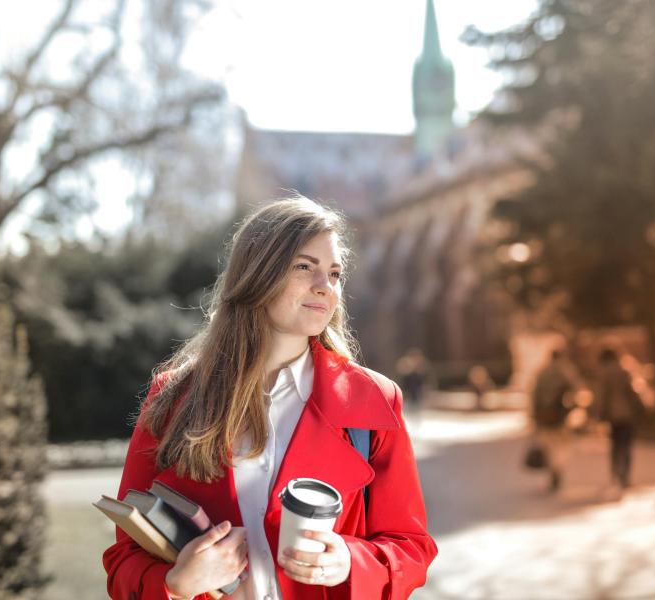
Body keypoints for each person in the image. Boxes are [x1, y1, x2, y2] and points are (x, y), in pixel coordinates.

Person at [102, 198, 437, 600]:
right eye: (304, 266)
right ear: (257, 274)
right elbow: (124, 557)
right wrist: (176, 585)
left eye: (334, 273)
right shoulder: (173, 399)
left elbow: (411, 547)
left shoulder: (374, 401)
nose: (325, 286)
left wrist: (349, 561)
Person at [591, 348, 646, 490]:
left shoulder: (603, 374)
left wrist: (598, 415)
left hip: (613, 416)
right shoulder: (624, 371)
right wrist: (640, 408)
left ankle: (616, 471)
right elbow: (633, 392)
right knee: (627, 445)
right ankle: (625, 475)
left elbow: (601, 396)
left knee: (615, 445)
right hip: (627, 414)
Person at [530, 350, 574, 492]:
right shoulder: (564, 372)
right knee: (559, 445)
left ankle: (553, 471)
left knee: (548, 445)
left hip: (543, 416)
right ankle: (557, 470)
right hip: (559, 416)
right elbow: (575, 390)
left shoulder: (542, 373)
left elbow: (534, 395)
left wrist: (534, 415)